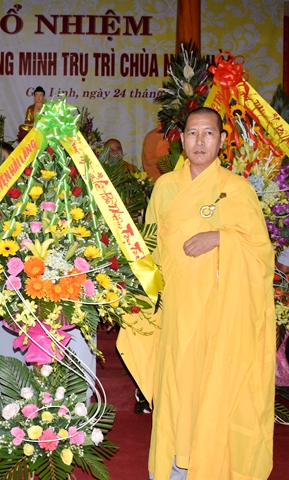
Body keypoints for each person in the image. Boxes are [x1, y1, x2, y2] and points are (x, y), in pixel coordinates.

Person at [118, 107, 275, 479]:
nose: (199, 141)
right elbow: (151, 249)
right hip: (176, 310)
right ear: (182, 140)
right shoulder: (165, 187)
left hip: (222, 314)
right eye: (192, 133)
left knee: (214, 388)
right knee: (177, 388)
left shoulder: (237, 190)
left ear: (222, 140)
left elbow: (261, 254)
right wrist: (135, 298)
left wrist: (220, 238)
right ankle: (174, 468)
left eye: (208, 133)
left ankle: (211, 468)